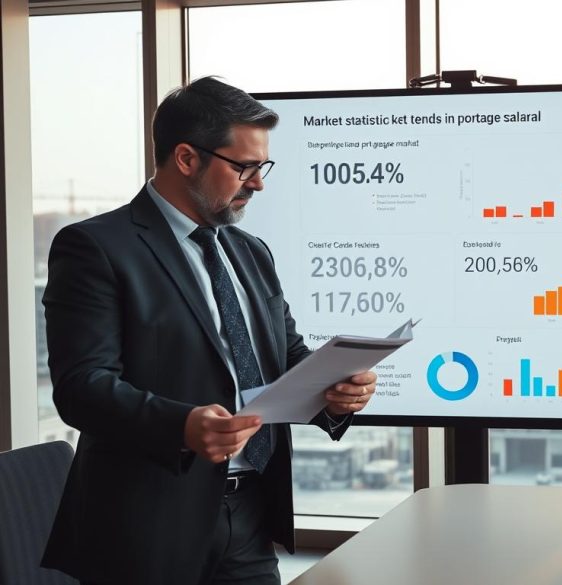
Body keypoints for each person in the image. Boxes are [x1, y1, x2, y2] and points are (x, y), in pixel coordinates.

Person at [40, 76, 377, 585]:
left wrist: (336, 393)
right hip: (145, 528)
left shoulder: (249, 251)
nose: (258, 182)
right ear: (185, 158)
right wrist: (181, 426)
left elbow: (284, 356)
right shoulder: (95, 248)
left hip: (249, 518)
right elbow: (81, 387)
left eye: (262, 167)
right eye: (244, 167)